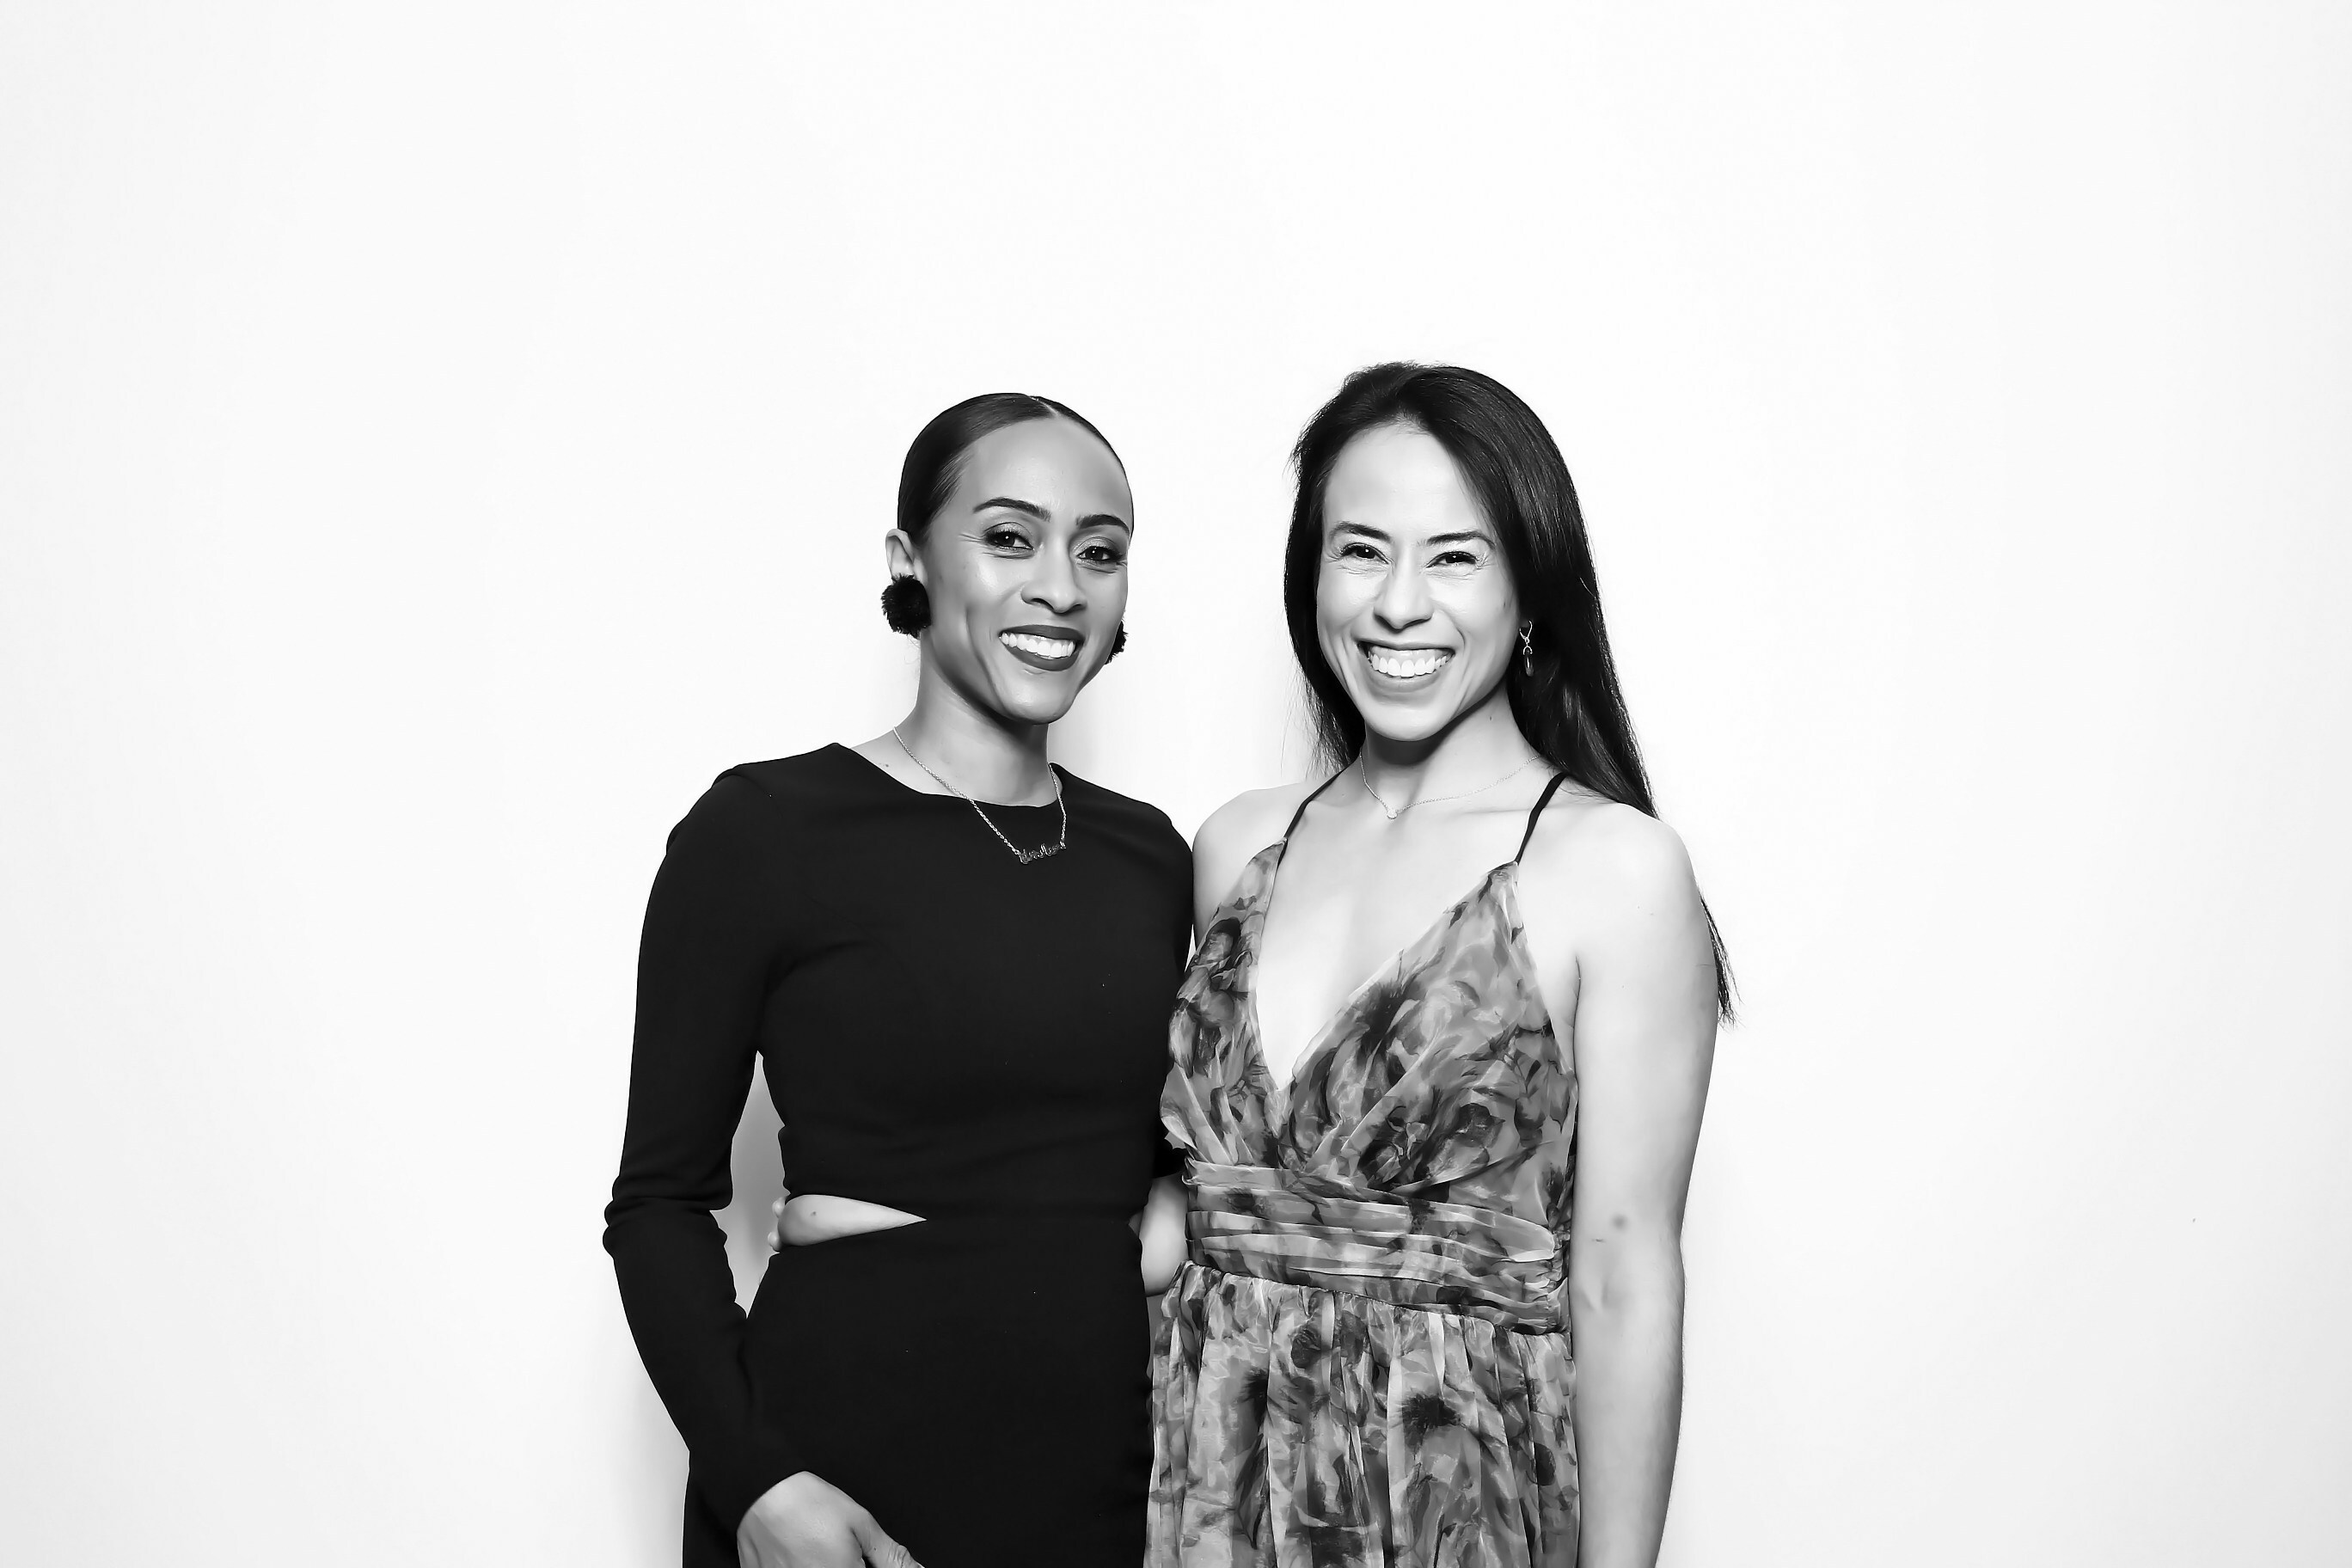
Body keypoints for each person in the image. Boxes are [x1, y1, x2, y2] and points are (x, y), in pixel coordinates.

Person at [1143, 364, 1728, 1568]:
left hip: (1453, 1504)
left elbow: (1624, 1275)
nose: (1399, 604)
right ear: (1312, 576)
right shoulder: (1237, 847)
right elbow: (1184, 1212)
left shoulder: (1610, 869)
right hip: (1203, 1490)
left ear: (1531, 591)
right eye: (1361, 551)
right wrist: (918, 1237)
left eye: (1455, 558)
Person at [604, 393, 1191, 1568]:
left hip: (1097, 1471)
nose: (1060, 587)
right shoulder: (766, 831)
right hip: (836, 1464)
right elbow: (658, 1204)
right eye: (1010, 538)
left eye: (1100, 551)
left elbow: (1170, 1147)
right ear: (909, 560)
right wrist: (757, 1481)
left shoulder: (1151, 856)